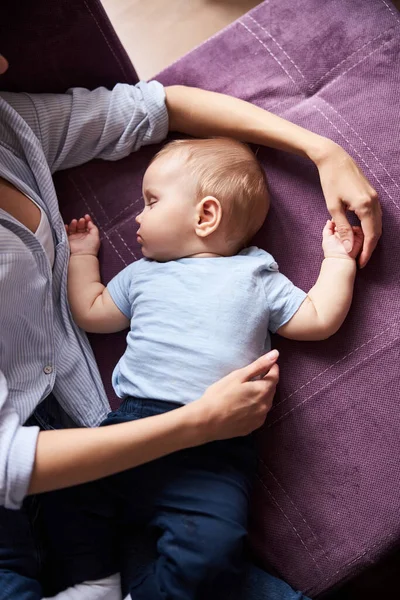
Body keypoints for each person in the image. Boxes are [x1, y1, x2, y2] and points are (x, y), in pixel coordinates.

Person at [0, 50, 381, 600]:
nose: (136, 216)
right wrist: (83, 256)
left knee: (212, 549)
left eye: (150, 202)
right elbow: (92, 310)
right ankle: (96, 583)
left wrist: (336, 241)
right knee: (74, 504)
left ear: (205, 216)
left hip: (212, 452)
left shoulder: (257, 274)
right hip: (128, 423)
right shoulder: (140, 276)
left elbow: (317, 319)